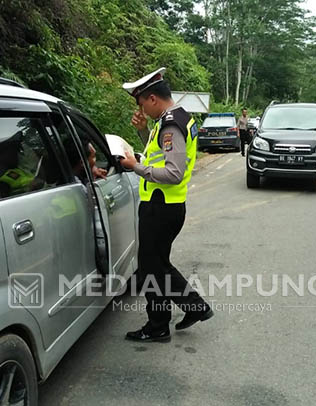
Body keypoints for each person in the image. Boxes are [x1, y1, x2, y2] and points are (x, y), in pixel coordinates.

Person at [120, 67, 213, 342]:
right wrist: (142, 131)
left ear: (151, 99)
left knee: (153, 267)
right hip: (164, 205)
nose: (141, 109)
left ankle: (171, 318)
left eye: (141, 103)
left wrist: (134, 166)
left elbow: (172, 173)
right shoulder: (173, 119)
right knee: (156, 265)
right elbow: (158, 155)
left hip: (161, 206)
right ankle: (167, 320)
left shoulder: (171, 125)